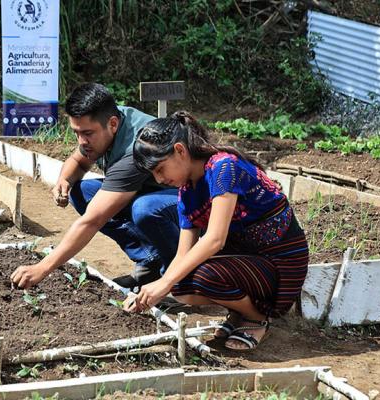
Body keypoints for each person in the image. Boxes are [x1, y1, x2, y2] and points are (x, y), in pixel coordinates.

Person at [125, 111, 309, 351]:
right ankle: (239, 312)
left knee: (203, 276)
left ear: (180, 151)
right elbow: (182, 254)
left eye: (160, 169)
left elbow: (215, 240)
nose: (159, 179)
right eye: (154, 174)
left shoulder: (223, 168)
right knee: (180, 284)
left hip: (279, 264)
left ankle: (257, 317)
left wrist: (164, 283)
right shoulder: (187, 192)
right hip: (245, 261)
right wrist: (157, 289)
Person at [11, 83, 180, 290]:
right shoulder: (105, 123)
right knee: (82, 192)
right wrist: (64, 180)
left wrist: (42, 268)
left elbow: (93, 220)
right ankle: (151, 260)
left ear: (113, 124)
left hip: (189, 201)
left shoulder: (135, 149)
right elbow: (78, 161)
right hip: (152, 191)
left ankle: (177, 277)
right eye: (76, 133)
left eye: (87, 133)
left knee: (145, 208)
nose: (81, 141)